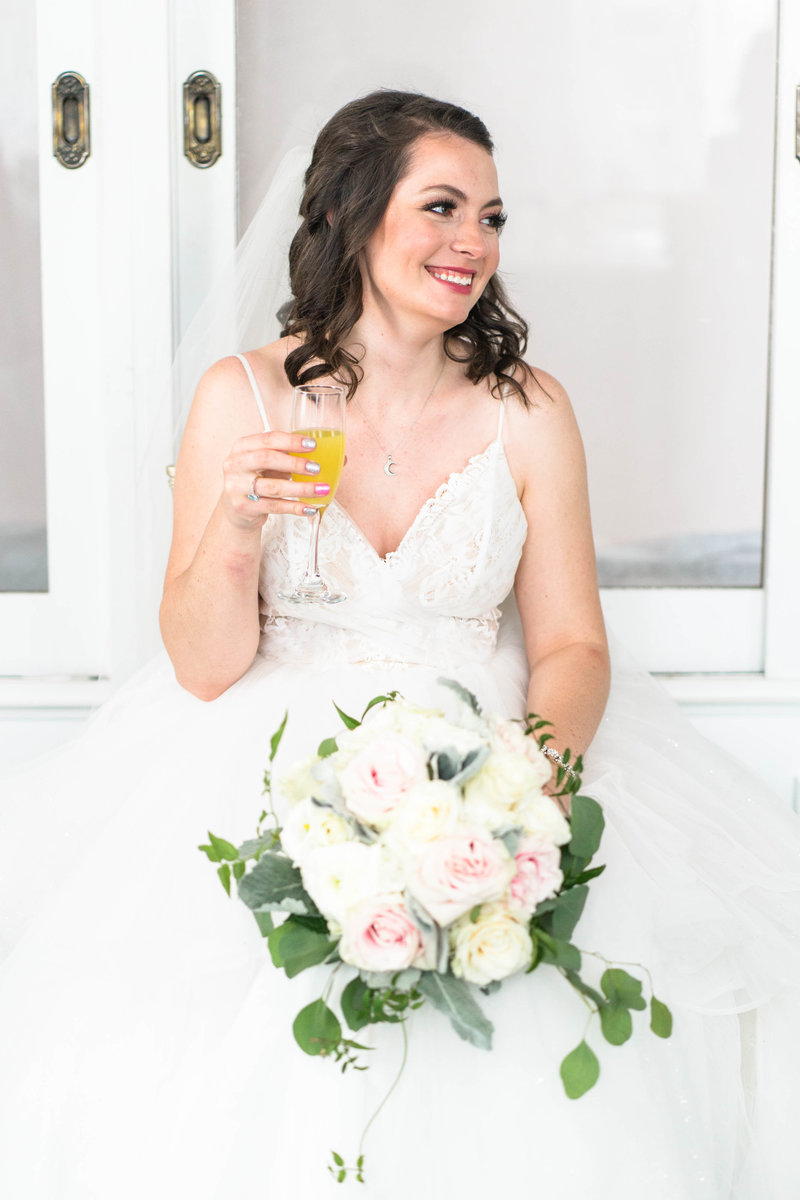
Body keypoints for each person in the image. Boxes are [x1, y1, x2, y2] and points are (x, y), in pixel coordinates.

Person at [1, 89, 799, 1200]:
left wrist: (525, 798)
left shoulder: (527, 409)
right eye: (441, 208)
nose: (472, 242)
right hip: (261, 756)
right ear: (353, 215)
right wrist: (234, 525)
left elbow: (571, 643)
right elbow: (201, 666)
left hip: (488, 748)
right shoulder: (244, 397)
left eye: (491, 216)